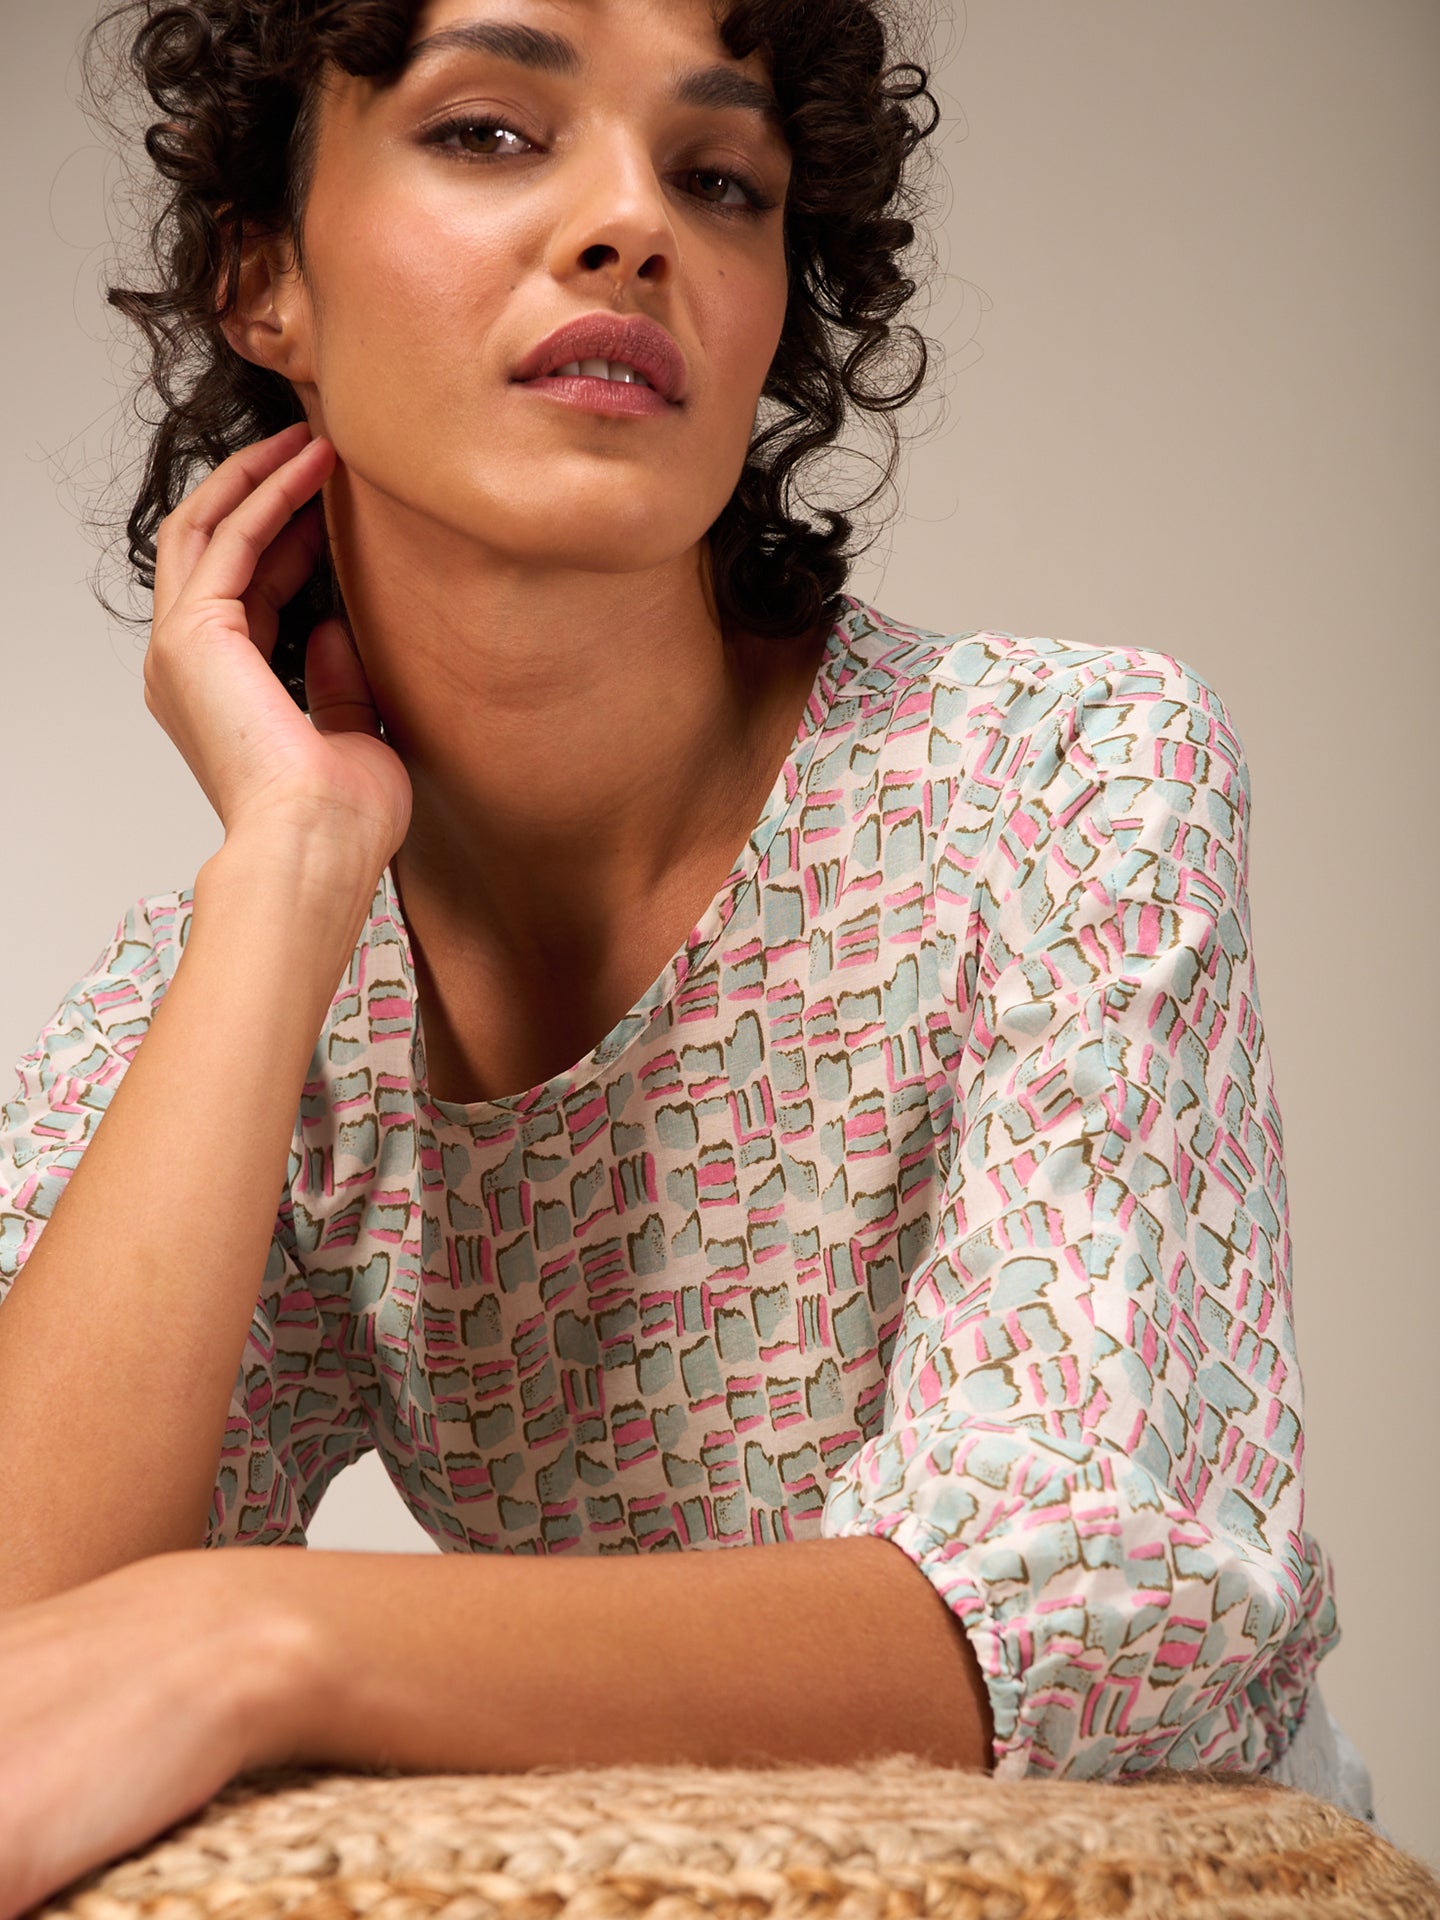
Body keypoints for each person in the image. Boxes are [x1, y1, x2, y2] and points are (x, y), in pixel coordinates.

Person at [0, 0, 1378, 1909]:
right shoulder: (246, 986)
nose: (632, 221)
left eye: (719, 178)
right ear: (264, 280)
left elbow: (1105, 1609)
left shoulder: (1063, 777)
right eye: (491, 131)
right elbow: (28, 1661)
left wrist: (257, 1638)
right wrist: (291, 864)